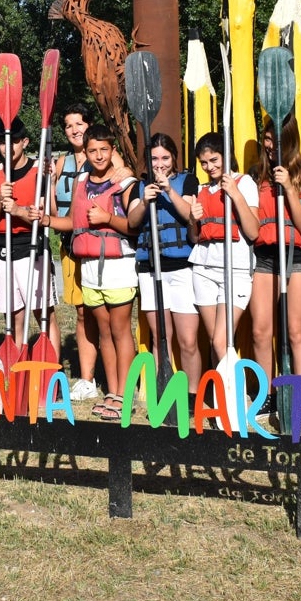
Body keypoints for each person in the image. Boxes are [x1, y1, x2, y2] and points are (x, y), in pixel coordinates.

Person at [48, 124, 137, 420]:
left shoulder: (125, 182)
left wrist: (107, 218)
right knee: (103, 332)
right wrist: (42, 218)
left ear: (113, 151)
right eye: (93, 150)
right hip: (89, 269)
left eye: (104, 150)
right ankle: (113, 391)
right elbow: (74, 223)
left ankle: (125, 395)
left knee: (120, 330)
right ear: (84, 153)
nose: (98, 156)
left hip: (118, 266)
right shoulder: (82, 181)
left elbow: (133, 227)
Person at [248, 117, 301, 421]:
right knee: (260, 331)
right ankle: (266, 396)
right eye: (266, 138)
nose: (270, 145)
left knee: (296, 333)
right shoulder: (256, 173)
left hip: (297, 259)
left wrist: (289, 187)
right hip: (265, 258)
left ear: (289, 139)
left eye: (276, 139)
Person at [124, 133, 201, 406]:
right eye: (154, 159)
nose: (159, 164)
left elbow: (191, 215)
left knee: (188, 338)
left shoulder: (188, 181)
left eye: (165, 158)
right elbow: (133, 222)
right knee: (160, 337)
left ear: (174, 159)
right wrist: (145, 200)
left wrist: (169, 190)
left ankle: (192, 396)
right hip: (150, 269)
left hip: (181, 268)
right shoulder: (139, 186)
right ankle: (164, 392)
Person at [0, 117, 60, 357]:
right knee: (14, 317)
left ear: (24, 142)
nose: (9, 147)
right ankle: (18, 374)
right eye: (3, 142)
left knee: (44, 315)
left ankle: (51, 374)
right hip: (3, 251)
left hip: (32, 247)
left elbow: (46, 214)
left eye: (14, 141)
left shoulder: (40, 170)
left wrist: (16, 210)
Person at [187, 132, 260, 374]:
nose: (209, 167)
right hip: (204, 269)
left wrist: (236, 195)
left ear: (226, 156)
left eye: (214, 160)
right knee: (214, 342)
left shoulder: (244, 183)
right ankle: (226, 397)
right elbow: (195, 237)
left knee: (222, 341)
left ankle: (238, 400)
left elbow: (252, 231)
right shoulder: (202, 188)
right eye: (204, 163)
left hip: (235, 269)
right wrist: (191, 219)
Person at [52, 103, 101, 399]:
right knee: (82, 313)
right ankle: (87, 379)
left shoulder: (102, 159)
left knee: (101, 314)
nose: (75, 130)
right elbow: (55, 207)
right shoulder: (60, 164)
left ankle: (108, 373)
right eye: (69, 126)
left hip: (96, 245)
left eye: (79, 124)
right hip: (69, 245)